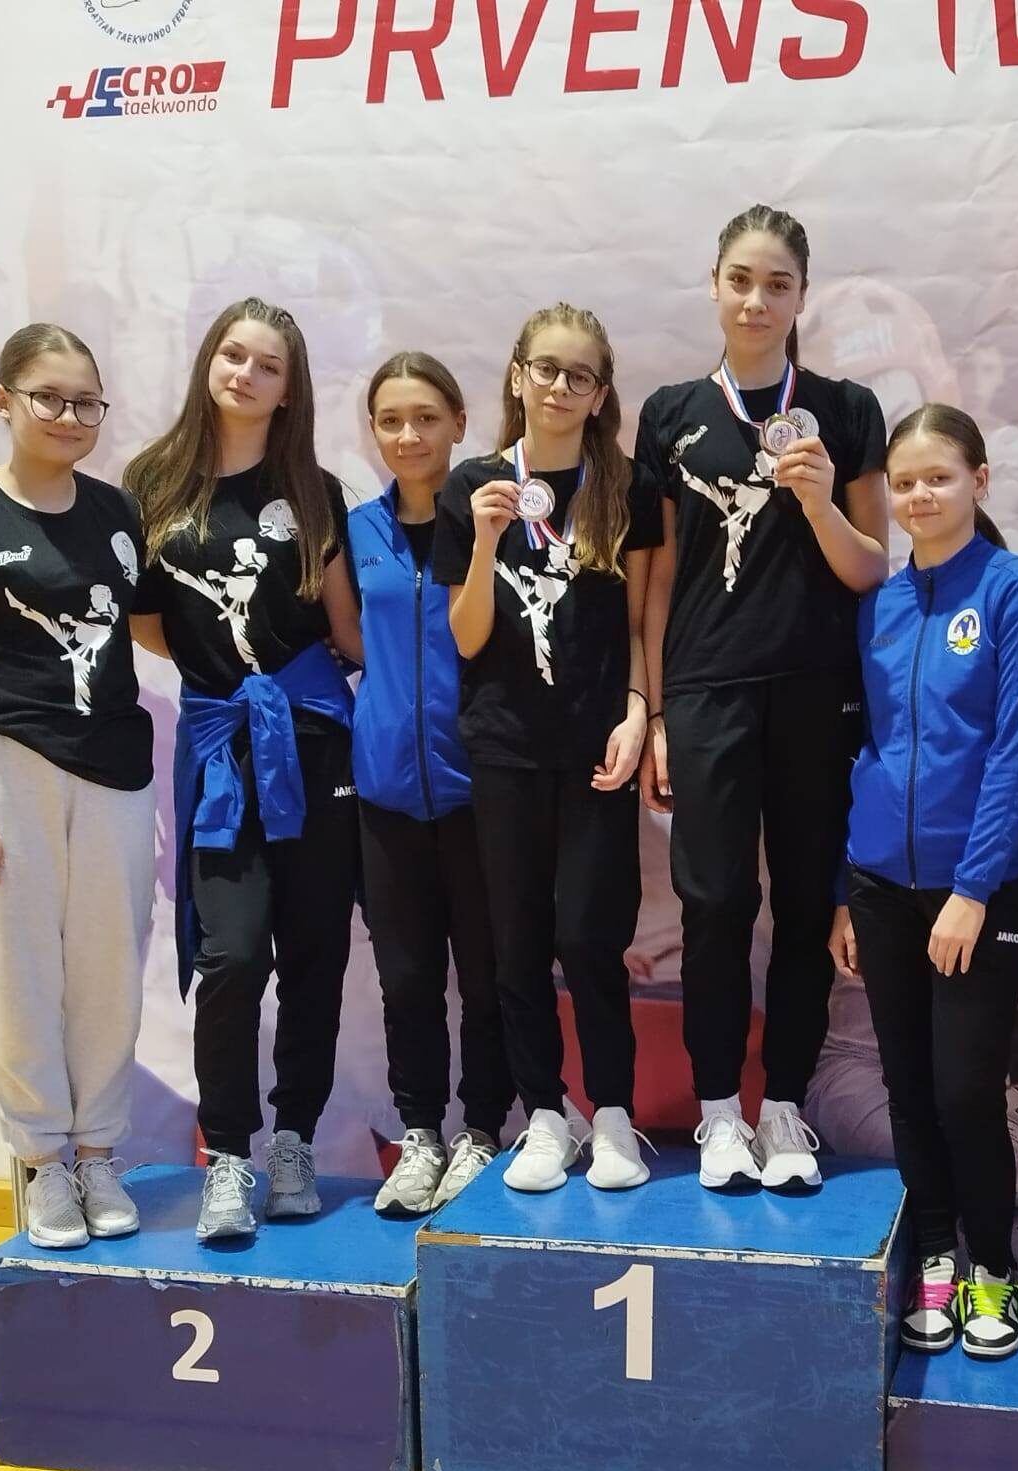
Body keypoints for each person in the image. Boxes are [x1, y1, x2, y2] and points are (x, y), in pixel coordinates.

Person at [635, 204, 890, 1193]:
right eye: (740, 279)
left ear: (800, 297)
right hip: (706, 692)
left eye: (776, 284)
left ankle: (781, 1106)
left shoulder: (844, 409)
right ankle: (716, 1113)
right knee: (712, 904)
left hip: (816, 692)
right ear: (714, 285)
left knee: (802, 900)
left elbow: (870, 566)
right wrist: (658, 712)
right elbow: (658, 578)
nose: (755, 299)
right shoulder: (669, 413)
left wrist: (818, 500)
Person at [0, 323, 155, 1250]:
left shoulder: (118, 513)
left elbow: (151, 627)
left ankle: (99, 1153)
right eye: (49, 397)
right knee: (18, 975)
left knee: (109, 976)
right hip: (3, 767)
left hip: (116, 772)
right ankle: (44, 1162)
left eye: (87, 402)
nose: (70, 416)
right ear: (4, 399)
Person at [123, 297, 361, 1243]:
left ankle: (292, 1142)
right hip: (223, 743)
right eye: (234, 355)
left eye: (268, 365)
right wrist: (227, 678)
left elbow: (345, 630)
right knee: (228, 957)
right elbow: (150, 626)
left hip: (314, 743)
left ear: (290, 389)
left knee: (314, 951)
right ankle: (226, 1153)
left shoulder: (315, 490)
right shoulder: (152, 484)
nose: (246, 375)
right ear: (208, 362)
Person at [829, 405, 1018, 1357]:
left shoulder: (1012, 590)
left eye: (940, 477)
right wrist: (845, 890)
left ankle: (992, 1267)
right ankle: (932, 1254)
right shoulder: (880, 603)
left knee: (967, 1091)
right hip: (881, 886)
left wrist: (972, 888)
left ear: (979, 481)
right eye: (905, 482)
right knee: (910, 1088)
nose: (920, 496)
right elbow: (867, 750)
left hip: (978, 889)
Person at [436, 303, 661, 1193]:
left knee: (591, 936)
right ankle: (543, 1114)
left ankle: (612, 1115)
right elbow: (464, 637)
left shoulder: (626, 488)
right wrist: (487, 540)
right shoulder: (473, 487)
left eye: (580, 376)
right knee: (518, 942)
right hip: (505, 745)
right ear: (517, 374)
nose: (561, 387)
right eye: (547, 369)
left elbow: (642, 621)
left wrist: (639, 712)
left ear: (601, 394)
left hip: (597, 747)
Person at [350, 352, 514, 1214]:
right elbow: (348, 638)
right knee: (407, 979)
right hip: (384, 791)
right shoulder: (354, 531)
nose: (408, 435)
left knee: (486, 976)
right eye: (390, 420)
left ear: (458, 423)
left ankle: (482, 1130)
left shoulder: (494, 520)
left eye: (425, 417)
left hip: (478, 786)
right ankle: (421, 1134)